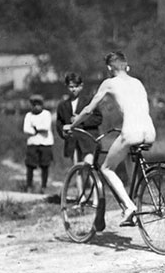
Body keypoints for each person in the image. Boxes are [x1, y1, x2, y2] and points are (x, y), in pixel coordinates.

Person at [65, 51, 156, 226]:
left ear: (109, 68)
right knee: (131, 161)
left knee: (107, 168)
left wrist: (74, 125)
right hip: (149, 131)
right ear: (126, 65)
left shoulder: (109, 83)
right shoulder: (138, 83)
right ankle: (135, 202)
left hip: (131, 131)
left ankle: (129, 208)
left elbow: (88, 110)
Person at [56, 72, 103, 165]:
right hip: (73, 140)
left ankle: (92, 179)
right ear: (66, 87)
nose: (73, 89)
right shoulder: (63, 105)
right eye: (71, 87)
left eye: (76, 86)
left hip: (88, 140)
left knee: (88, 166)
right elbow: (59, 122)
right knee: (77, 168)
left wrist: (81, 120)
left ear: (81, 86)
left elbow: (98, 118)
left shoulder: (89, 101)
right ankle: (79, 179)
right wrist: (63, 130)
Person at [23, 94, 54, 193]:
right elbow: (26, 129)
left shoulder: (46, 114)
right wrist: (35, 130)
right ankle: (29, 186)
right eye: (34, 104)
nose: (36, 106)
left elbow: (45, 127)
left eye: (38, 104)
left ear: (42, 105)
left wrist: (35, 128)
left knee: (45, 166)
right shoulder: (29, 115)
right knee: (30, 166)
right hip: (32, 143)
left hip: (45, 143)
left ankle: (43, 187)